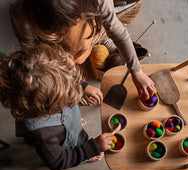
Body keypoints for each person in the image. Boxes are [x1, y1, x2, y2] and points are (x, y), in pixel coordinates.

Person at [10, 0, 155, 102]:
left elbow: (114, 27)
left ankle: (91, 45)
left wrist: (136, 71)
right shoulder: (24, 21)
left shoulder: (96, 3)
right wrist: (78, 85)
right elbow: (44, 65)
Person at [0, 44, 113, 170]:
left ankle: (69, 126)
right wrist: (92, 148)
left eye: (71, 82)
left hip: (64, 123)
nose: (74, 96)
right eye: (67, 99)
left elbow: (64, 77)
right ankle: (72, 136)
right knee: (79, 145)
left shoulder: (51, 83)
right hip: (66, 142)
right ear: (48, 109)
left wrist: (83, 86)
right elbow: (59, 161)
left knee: (73, 125)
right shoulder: (42, 135)